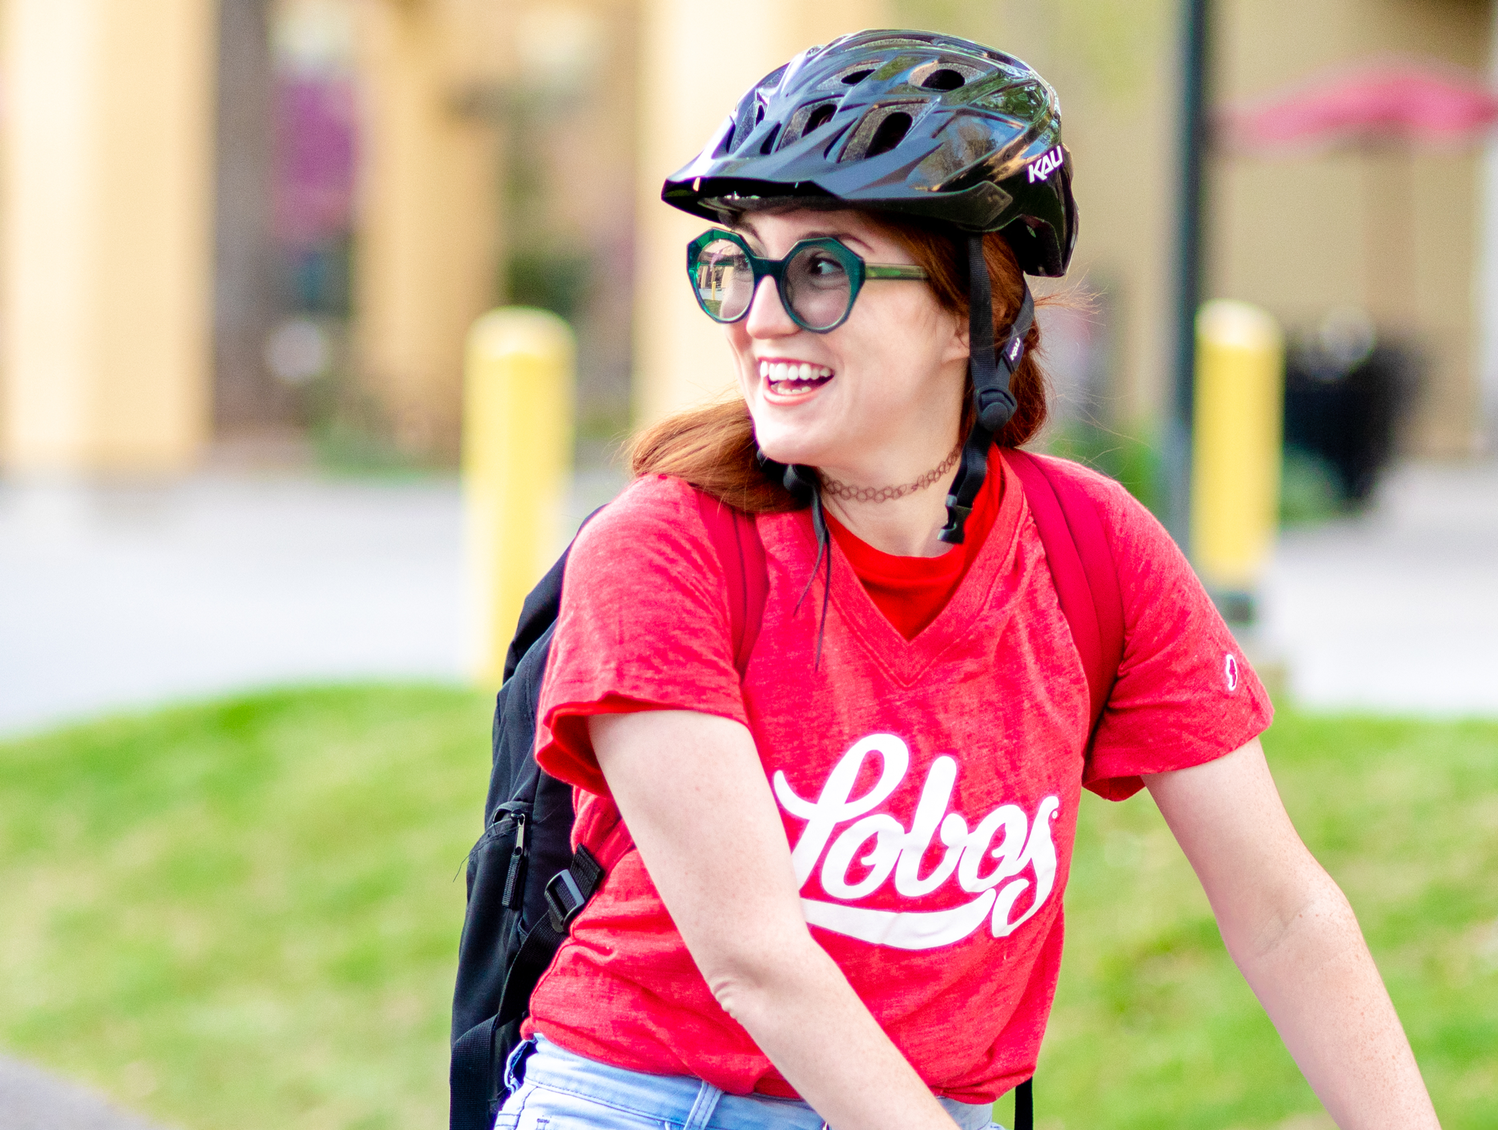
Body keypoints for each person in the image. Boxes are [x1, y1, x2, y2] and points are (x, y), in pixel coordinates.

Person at [494, 28, 1441, 1130]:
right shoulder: (667, 546)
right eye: (739, 265)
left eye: (819, 270)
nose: (758, 316)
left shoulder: (1094, 550)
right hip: (653, 1102)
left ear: (966, 312)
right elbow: (758, 960)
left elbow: (1283, 913)